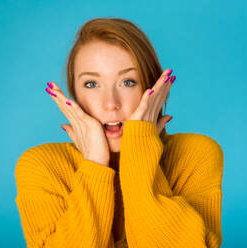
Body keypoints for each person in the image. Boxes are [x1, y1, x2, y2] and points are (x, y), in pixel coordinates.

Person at [14, 17, 224, 248]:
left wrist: (139, 149)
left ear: (153, 89)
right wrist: (95, 165)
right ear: (74, 94)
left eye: (128, 82)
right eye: (92, 84)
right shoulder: (42, 166)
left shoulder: (195, 155)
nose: (110, 103)